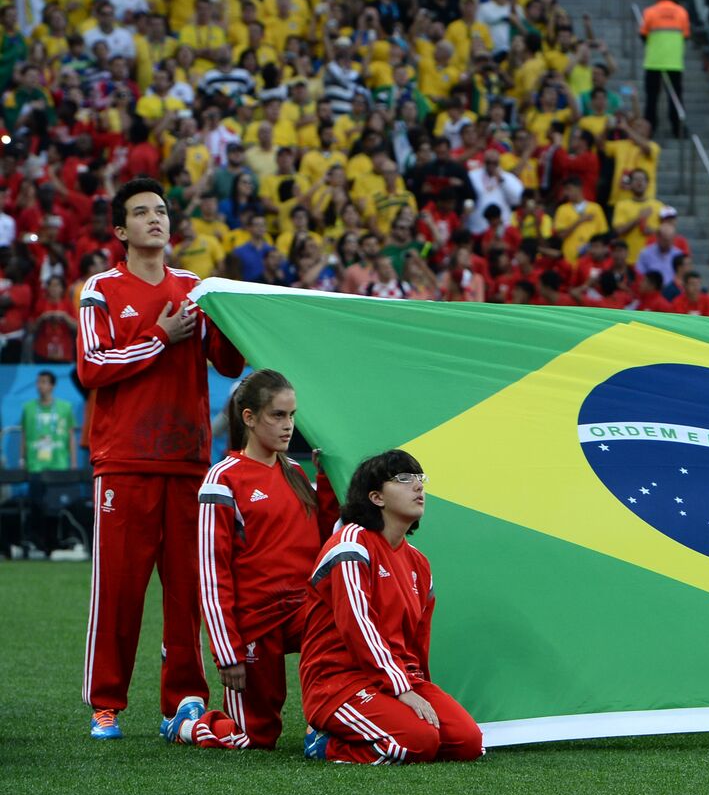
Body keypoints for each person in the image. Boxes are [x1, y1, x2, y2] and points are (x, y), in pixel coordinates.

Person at [78, 177, 245, 741]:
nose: (156, 218)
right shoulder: (100, 289)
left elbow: (226, 364)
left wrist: (236, 317)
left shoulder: (196, 288)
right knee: (118, 591)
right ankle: (107, 704)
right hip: (123, 459)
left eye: (163, 211)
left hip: (187, 457)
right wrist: (160, 335)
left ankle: (185, 699)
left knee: (188, 591)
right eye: (142, 212)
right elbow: (93, 365)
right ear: (121, 231)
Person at [299, 450, 484, 765]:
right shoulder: (351, 544)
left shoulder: (418, 563)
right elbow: (358, 626)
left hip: (397, 678)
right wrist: (402, 690)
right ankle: (325, 744)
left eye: (419, 478)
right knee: (417, 742)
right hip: (338, 681)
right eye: (403, 479)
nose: (418, 487)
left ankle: (393, 721)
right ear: (376, 497)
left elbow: (417, 640)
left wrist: (419, 688)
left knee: (468, 743)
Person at [193, 370, 337, 750]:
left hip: (303, 610)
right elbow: (212, 573)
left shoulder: (295, 473)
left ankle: (325, 725)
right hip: (254, 622)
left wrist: (330, 478)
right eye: (277, 415)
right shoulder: (222, 479)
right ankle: (190, 726)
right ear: (249, 418)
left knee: (342, 626)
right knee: (253, 739)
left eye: (292, 415)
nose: (288, 426)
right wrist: (227, 652)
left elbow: (325, 538)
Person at [19, 370, 78, 557]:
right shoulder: (28, 408)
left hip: (59, 465)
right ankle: (37, 544)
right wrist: (22, 459)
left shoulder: (65, 408)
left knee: (57, 508)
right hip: (36, 465)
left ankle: (56, 544)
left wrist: (73, 463)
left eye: (44, 382)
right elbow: (24, 435)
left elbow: (70, 436)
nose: (40, 386)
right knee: (36, 506)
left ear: (52, 385)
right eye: (38, 382)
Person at [640, 0, 690, 139]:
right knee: (675, 98)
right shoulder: (682, 12)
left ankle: (649, 129)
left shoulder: (650, 12)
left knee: (652, 98)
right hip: (674, 62)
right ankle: (678, 129)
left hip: (654, 61)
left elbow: (643, 34)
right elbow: (686, 35)